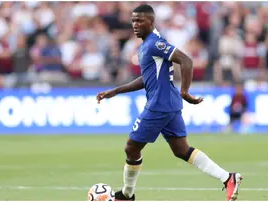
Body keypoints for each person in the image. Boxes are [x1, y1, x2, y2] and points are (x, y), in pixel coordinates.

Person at [96, 4, 242, 201]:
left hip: (159, 105)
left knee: (131, 147)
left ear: (151, 21)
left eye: (140, 20)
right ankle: (228, 178)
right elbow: (147, 78)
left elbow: (186, 60)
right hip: (168, 104)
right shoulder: (145, 45)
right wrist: (117, 90)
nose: (135, 25)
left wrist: (185, 92)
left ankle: (127, 195)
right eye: (133, 21)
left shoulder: (155, 43)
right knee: (182, 150)